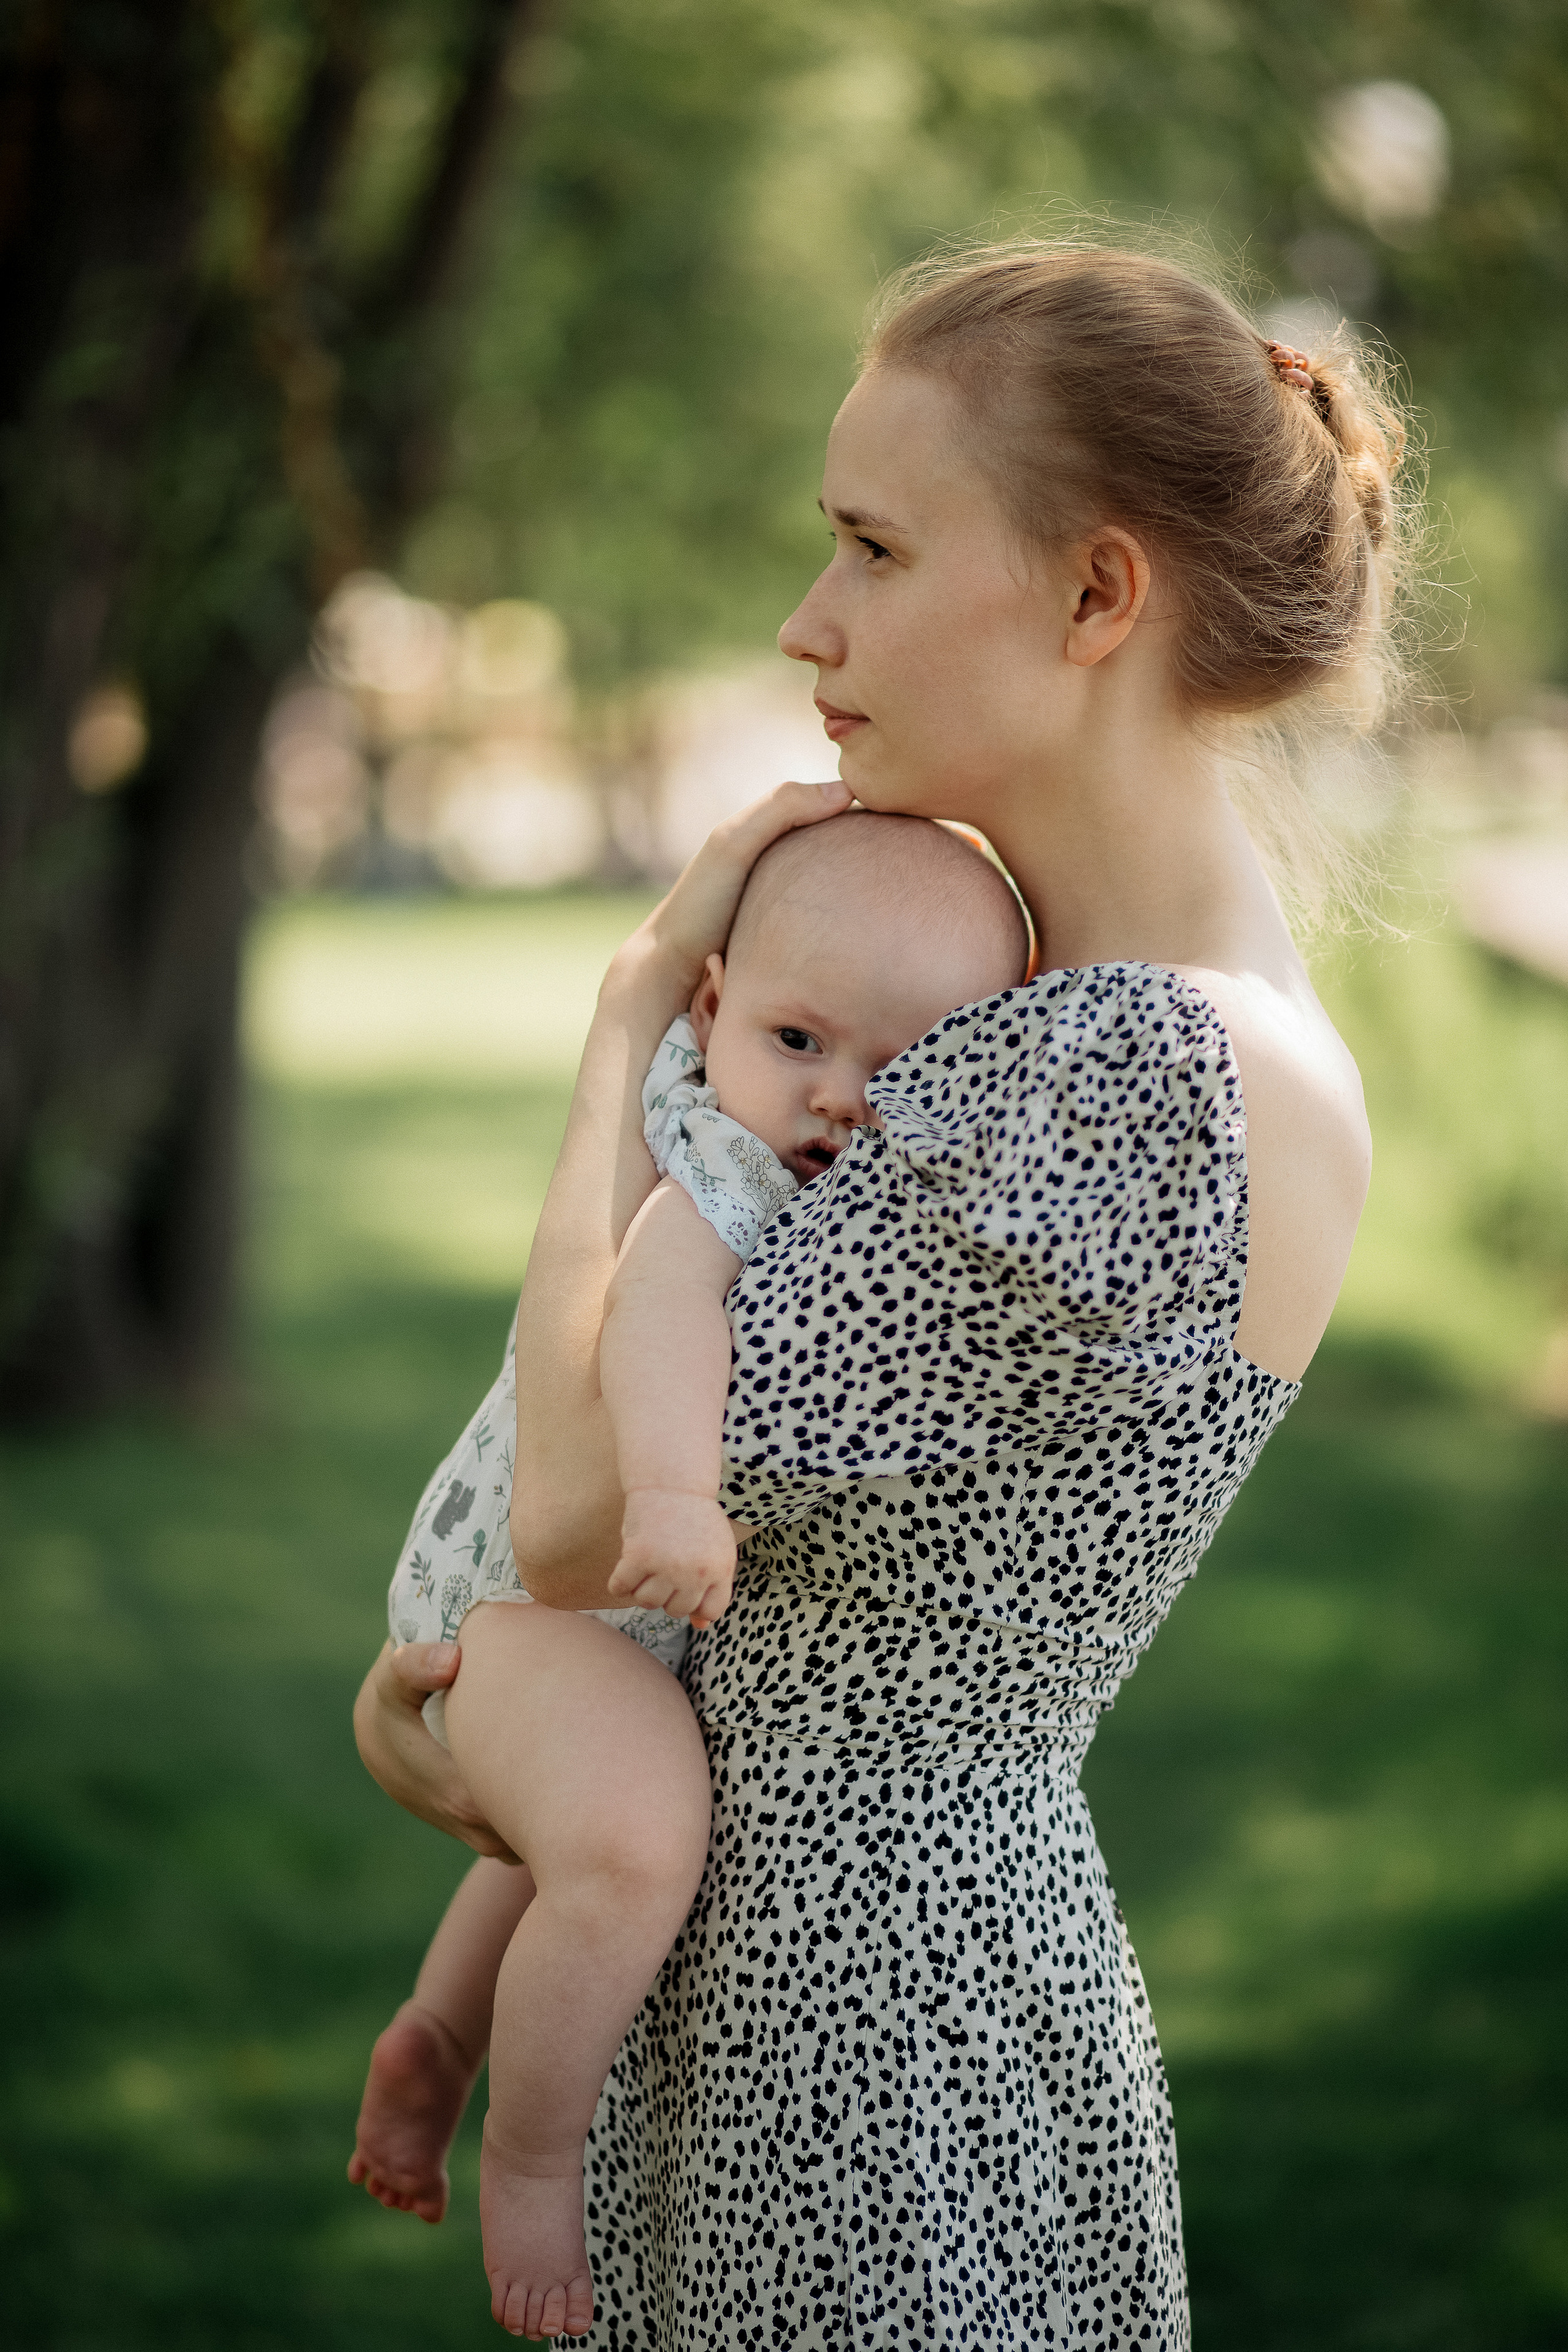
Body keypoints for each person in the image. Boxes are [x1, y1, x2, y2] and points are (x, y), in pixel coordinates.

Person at [353, 239, 1408, 2349]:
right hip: (805, 1990)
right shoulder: (1091, 1027)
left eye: (875, 547)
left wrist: (633, 1014)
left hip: (856, 2053)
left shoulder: (1124, 1070)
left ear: (1097, 597)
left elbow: (572, 1517)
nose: (806, 621)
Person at [352, 813, 1032, 2340]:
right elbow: (661, 1305)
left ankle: (437, 2038)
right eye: (797, 1039)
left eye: (902, 1067)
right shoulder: (722, 1158)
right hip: (534, 1601)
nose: (837, 1095)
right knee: (635, 1841)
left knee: (552, 1843)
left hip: (554, 1620)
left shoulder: (822, 1153)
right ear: (711, 1009)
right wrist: (669, 1494)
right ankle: (533, 2165)